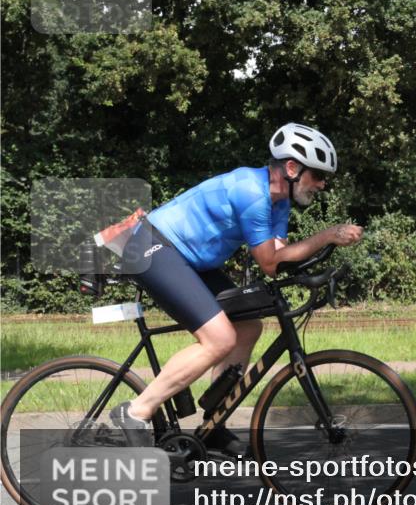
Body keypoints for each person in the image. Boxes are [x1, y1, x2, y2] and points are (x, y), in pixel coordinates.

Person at [109, 123, 362, 452]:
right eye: (317, 175)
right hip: (152, 246)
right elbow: (270, 261)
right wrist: (326, 236)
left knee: (246, 326)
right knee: (219, 338)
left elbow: (280, 259)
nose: (322, 184)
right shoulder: (251, 193)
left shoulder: (279, 203)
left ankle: (214, 423)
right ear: (291, 168)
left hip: (190, 260)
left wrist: (317, 269)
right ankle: (136, 411)